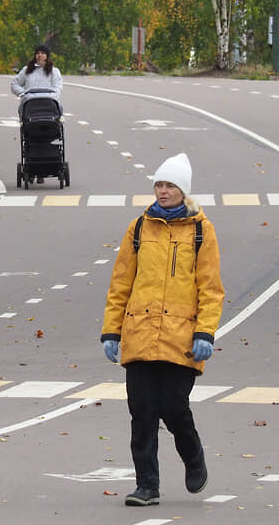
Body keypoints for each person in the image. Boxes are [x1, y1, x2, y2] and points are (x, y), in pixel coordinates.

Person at [100, 153, 225, 507]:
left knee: (172, 407)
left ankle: (192, 452)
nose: (163, 191)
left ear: (183, 190)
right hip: (139, 334)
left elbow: (211, 288)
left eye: (170, 185)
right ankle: (147, 485)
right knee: (141, 413)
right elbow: (121, 283)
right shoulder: (139, 227)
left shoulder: (202, 230)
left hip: (180, 338)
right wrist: (111, 331)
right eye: (159, 184)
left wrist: (205, 333)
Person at [10, 43, 63, 184]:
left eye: (43, 53)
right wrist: (23, 94)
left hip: (48, 107)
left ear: (47, 56)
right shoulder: (27, 70)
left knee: (48, 131)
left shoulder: (54, 72)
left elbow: (58, 88)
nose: (40, 55)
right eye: (38, 53)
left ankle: (42, 171)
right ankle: (32, 170)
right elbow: (14, 84)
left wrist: (52, 97)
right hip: (31, 108)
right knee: (29, 138)